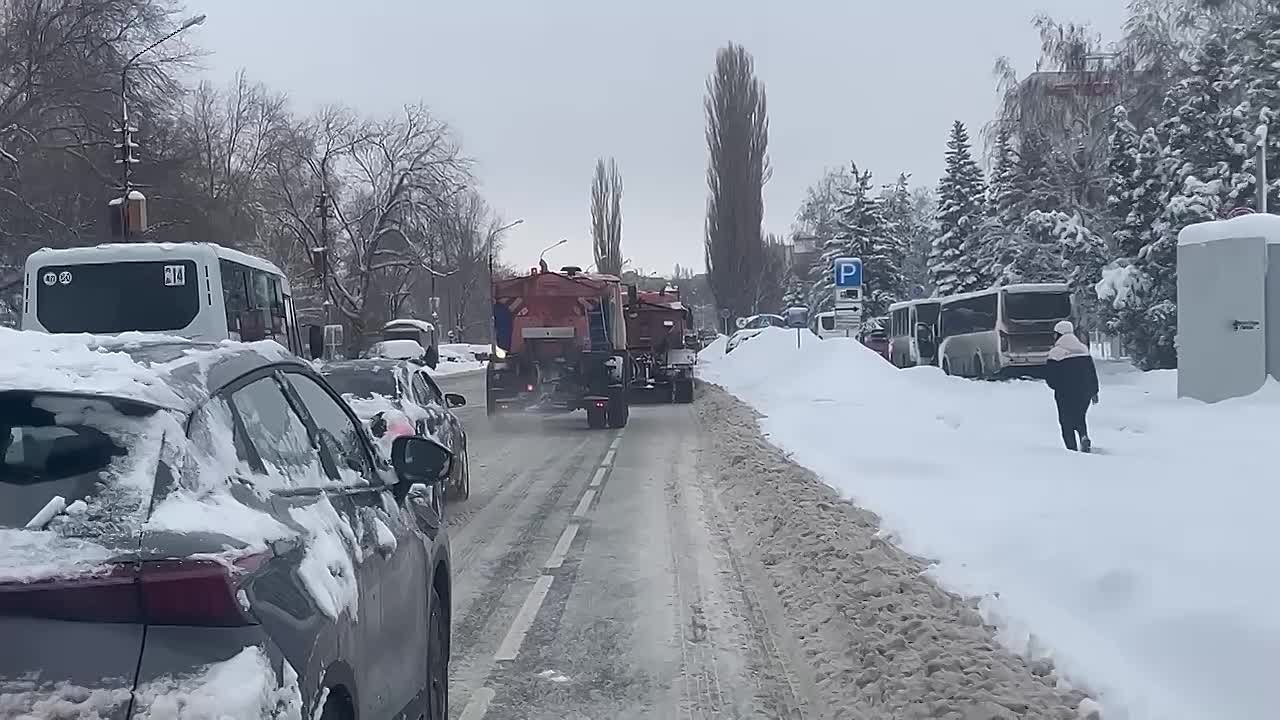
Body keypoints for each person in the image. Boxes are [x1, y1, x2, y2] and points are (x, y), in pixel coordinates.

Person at [1044, 320, 1099, 452]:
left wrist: (1056, 386)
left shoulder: (1056, 352)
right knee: (1079, 416)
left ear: (1059, 334)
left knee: (1066, 421)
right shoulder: (1083, 350)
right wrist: (1094, 391)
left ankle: (1072, 450)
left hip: (1065, 392)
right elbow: (1092, 372)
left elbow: (1050, 376)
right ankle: (1083, 436)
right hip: (1085, 391)